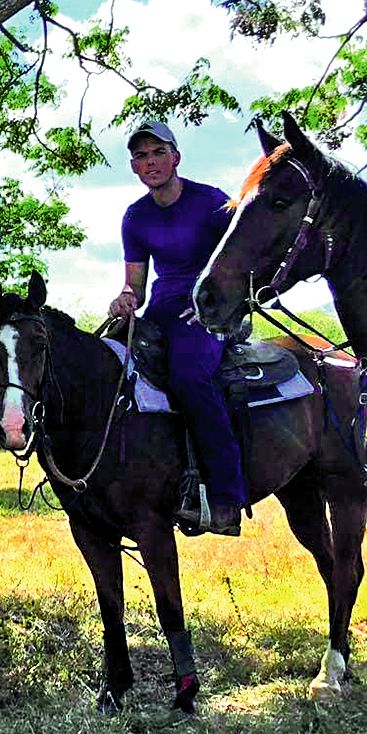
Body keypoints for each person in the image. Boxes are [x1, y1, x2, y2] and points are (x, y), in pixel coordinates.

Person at [109, 120, 246, 535]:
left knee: (188, 375)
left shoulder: (212, 203)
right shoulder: (135, 217)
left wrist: (219, 308)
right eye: (141, 157)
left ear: (176, 157)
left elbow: (244, 263)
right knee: (113, 365)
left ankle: (224, 495)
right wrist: (125, 300)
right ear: (134, 167)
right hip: (165, 308)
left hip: (209, 309)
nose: (150, 163)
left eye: (157, 153)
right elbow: (136, 285)